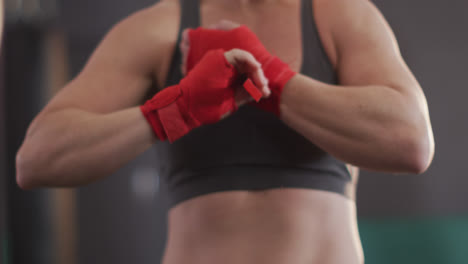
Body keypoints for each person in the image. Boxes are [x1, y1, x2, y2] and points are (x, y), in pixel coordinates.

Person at [15, 0, 435, 263]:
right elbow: (37, 159)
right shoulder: (158, 27)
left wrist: (267, 76)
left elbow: (412, 141)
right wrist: (175, 109)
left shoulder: (338, 13)